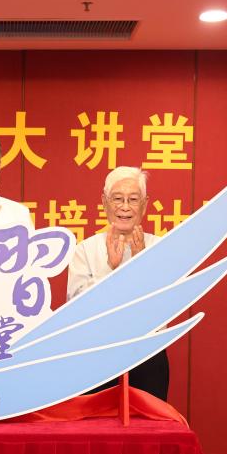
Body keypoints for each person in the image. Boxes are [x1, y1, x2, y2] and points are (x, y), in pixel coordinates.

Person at [66, 166, 169, 402]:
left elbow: (163, 309)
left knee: (149, 423)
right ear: (104, 202)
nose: (125, 207)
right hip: (95, 356)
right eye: (117, 199)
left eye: (133, 199)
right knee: (97, 423)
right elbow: (78, 310)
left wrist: (141, 265)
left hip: (147, 354)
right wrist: (110, 271)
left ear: (144, 204)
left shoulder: (160, 248)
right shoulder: (85, 250)